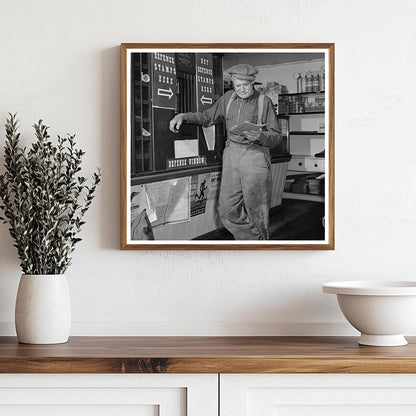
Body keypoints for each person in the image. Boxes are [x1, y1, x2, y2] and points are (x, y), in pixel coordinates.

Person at [169, 64, 281, 240]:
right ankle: (254, 241)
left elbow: (276, 137)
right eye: (237, 86)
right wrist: (183, 116)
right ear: (233, 85)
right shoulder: (227, 98)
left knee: (257, 209)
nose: (241, 89)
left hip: (256, 156)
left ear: (253, 83)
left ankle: (260, 251)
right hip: (231, 155)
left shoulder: (263, 102)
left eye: (246, 85)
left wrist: (260, 135)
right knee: (227, 210)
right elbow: (207, 117)